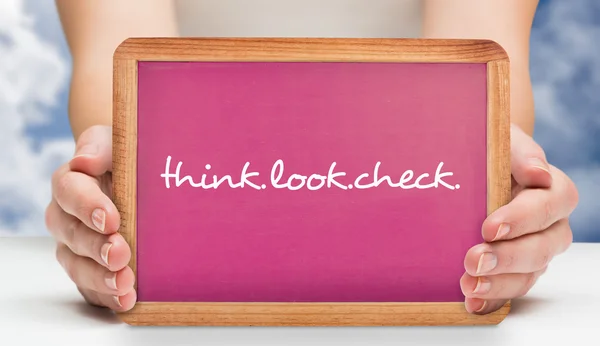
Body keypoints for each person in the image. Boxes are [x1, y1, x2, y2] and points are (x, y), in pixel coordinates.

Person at [48, 0, 578, 315]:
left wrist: (506, 188)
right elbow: (125, 88)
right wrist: (111, 197)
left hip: (422, 276)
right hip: (187, 276)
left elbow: (477, 84)